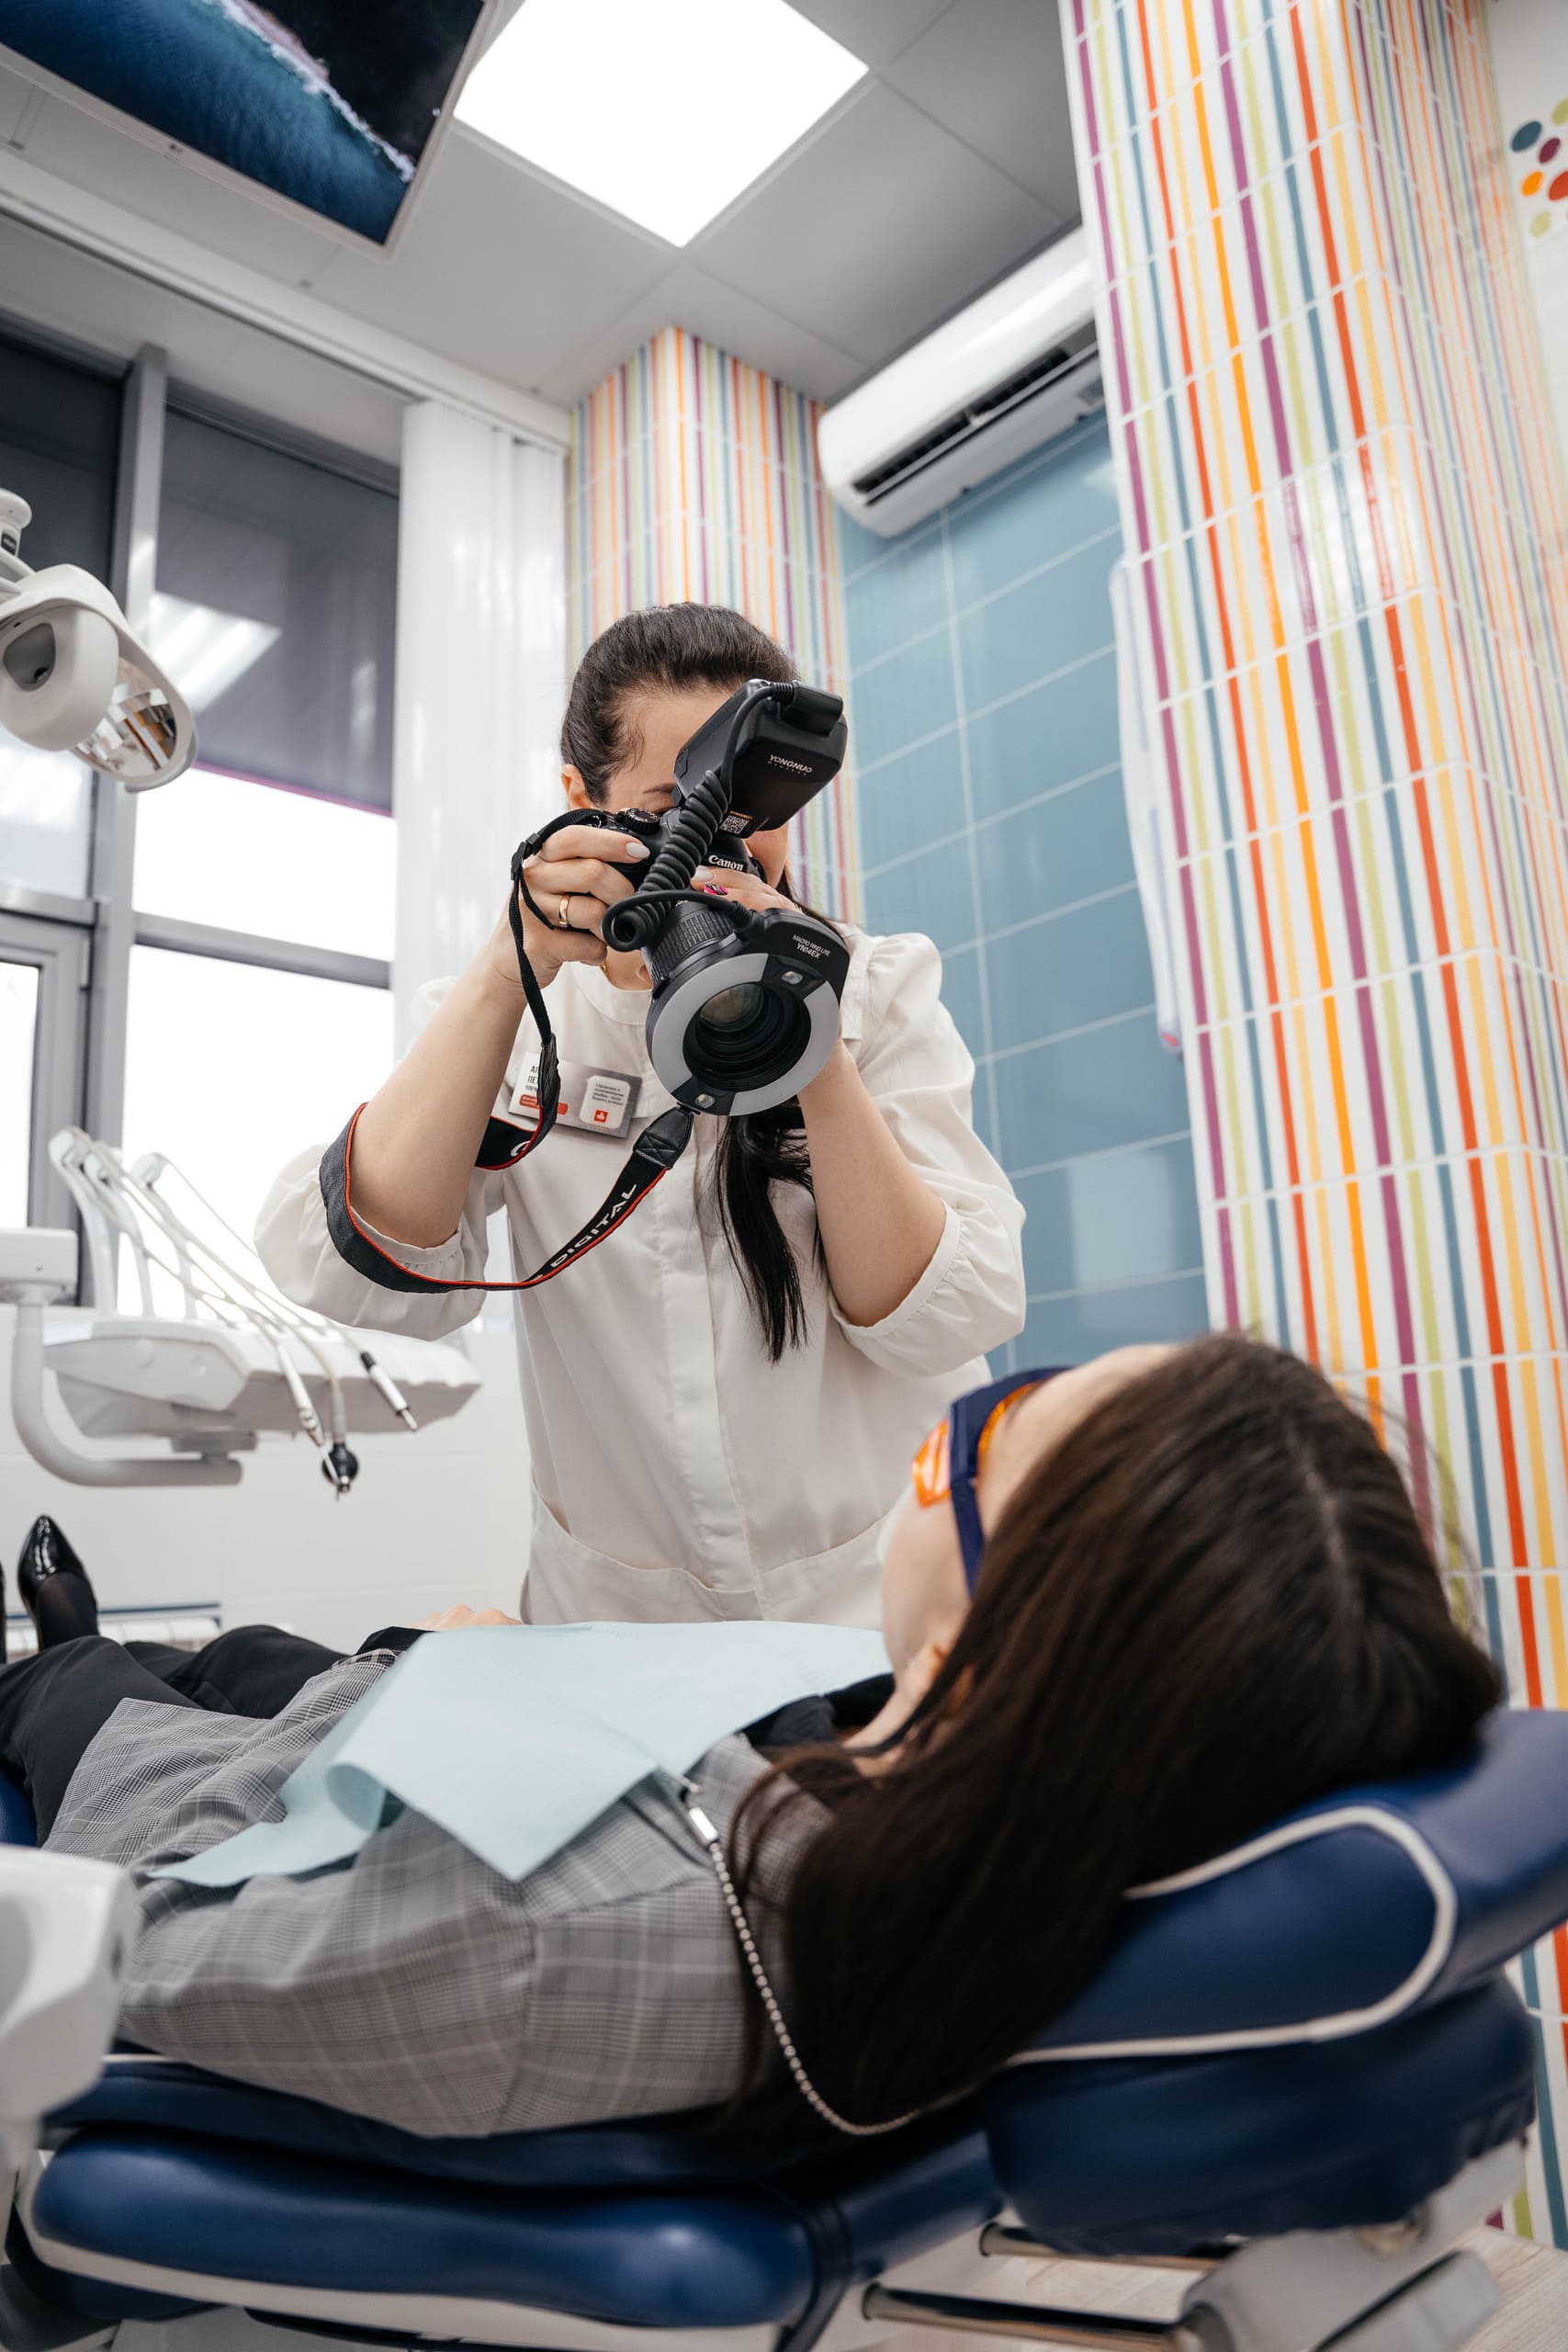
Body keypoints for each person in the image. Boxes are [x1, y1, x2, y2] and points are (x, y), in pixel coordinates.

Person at [6, 1334, 1501, 2143]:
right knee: (251, 1656)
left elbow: (149, 1940)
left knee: (78, 1691)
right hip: (505, 1747)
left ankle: (72, 1651)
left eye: (978, 1440)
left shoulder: (537, 1937)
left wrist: (401, 1694)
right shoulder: (1011, 1817)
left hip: (271, 1820)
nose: (936, 1445)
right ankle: (204, 1662)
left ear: (971, 1660)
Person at [254, 604, 1026, 1628]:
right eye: (680, 807)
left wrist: (807, 1027)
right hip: (618, 1621)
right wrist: (504, 971)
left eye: (752, 810)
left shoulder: (875, 986)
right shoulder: (522, 1020)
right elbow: (362, 1268)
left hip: (869, 1602)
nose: (725, 847)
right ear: (583, 800)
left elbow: (942, 1317)